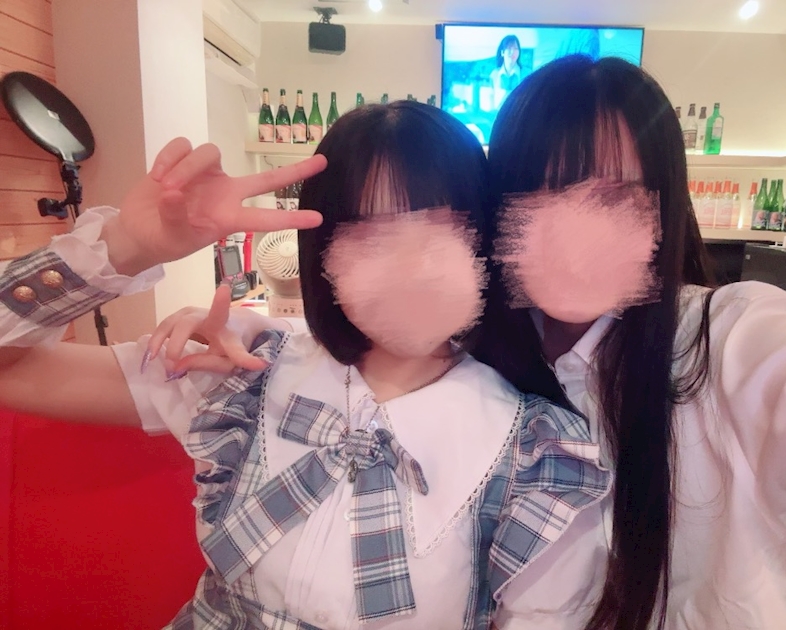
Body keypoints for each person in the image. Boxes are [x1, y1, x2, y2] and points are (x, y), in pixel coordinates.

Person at [157, 58, 786, 629]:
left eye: (616, 197)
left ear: (664, 211)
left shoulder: (732, 338)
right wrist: (207, 301)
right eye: (543, 192)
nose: (575, 229)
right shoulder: (486, 354)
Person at [0, 102, 611, 629]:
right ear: (323, 251)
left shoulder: (537, 453)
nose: (407, 265)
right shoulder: (240, 370)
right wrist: (129, 247)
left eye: (440, 228)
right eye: (367, 232)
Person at [490, 35, 522, 111]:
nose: (512, 52)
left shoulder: (527, 74)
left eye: (516, 48)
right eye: (509, 48)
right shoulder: (494, 75)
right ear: (502, 52)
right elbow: (491, 101)